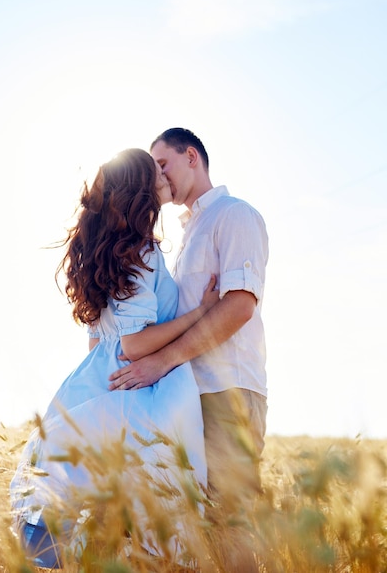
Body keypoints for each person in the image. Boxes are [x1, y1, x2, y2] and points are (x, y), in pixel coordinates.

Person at [10, 148, 218, 569]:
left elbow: (99, 344)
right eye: (155, 169)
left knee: (89, 504)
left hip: (96, 382)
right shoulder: (140, 250)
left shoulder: (110, 251)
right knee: (155, 511)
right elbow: (134, 345)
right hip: (143, 389)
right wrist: (202, 312)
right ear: (144, 189)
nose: (164, 173)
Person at [109, 129, 269, 571]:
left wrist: (161, 360)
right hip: (188, 399)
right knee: (191, 531)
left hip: (228, 392)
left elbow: (239, 306)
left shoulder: (234, 216)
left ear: (192, 156)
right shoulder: (187, 234)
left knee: (229, 523)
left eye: (163, 164)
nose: (156, 175)